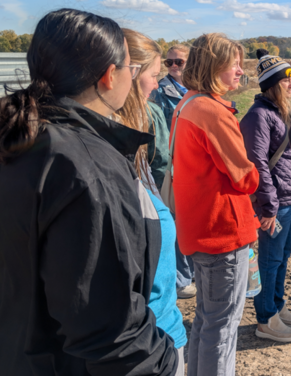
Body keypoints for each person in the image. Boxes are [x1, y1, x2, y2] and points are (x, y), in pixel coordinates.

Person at [0, 9, 178, 375]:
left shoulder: (19, 139)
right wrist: (166, 365)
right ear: (110, 76)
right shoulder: (87, 166)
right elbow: (106, 326)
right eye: (132, 69)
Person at [170, 33, 260, 376]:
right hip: (223, 232)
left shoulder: (187, 104)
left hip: (197, 230)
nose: (239, 71)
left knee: (207, 322)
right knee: (222, 328)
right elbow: (245, 178)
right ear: (213, 67)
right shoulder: (213, 111)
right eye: (233, 64)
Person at [117, 29, 188, 376]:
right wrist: (158, 356)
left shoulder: (132, 151)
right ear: (125, 78)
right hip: (151, 344)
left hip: (159, 335)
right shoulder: (110, 163)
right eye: (154, 75)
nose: (157, 85)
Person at [240, 50, 291, 342]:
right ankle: (266, 318)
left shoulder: (281, 112)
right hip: (275, 204)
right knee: (269, 260)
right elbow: (257, 164)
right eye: (287, 79)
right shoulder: (258, 116)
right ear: (274, 83)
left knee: (283, 256)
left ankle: (277, 308)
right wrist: (268, 206)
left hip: (290, 200)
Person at [151, 43, 196, 299]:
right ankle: (180, 279)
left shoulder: (195, 90)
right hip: (170, 166)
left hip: (190, 164)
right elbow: (158, 133)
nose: (173, 67)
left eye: (178, 62)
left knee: (189, 218)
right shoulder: (160, 91)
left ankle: (189, 272)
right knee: (174, 219)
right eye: (169, 63)